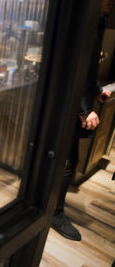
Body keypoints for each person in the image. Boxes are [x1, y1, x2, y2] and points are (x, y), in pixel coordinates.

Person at [51, 0, 113, 241]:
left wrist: (96, 88)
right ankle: (54, 212)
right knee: (66, 160)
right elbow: (70, 69)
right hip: (65, 106)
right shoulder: (81, 22)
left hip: (72, 104)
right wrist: (84, 109)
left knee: (66, 159)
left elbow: (86, 69)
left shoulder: (94, 21)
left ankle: (51, 208)